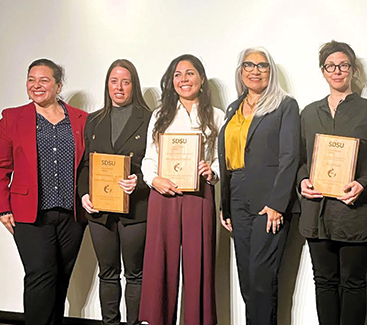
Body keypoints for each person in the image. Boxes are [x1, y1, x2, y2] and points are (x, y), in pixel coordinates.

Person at [297, 40, 367, 325]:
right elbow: (298, 160)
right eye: (331, 66)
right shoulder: (308, 113)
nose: (337, 71)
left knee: (354, 283)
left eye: (344, 65)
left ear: (353, 69)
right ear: (323, 71)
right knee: (323, 282)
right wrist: (303, 181)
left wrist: (363, 183)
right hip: (316, 214)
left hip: (355, 214)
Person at [0, 59, 88, 325]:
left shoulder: (81, 119)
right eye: (31, 79)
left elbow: (88, 164)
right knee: (40, 276)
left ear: (59, 85)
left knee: (61, 278)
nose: (36, 85)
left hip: (72, 215)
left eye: (44, 80)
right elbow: (1, 166)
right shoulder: (12, 117)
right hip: (30, 214)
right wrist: (3, 207)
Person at [139, 54, 224, 325]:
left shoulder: (217, 116)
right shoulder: (159, 115)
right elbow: (149, 159)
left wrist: (212, 171)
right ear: (170, 80)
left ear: (201, 79)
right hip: (163, 195)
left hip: (199, 196)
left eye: (189, 73)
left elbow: (222, 158)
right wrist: (154, 180)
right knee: (159, 263)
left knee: (199, 263)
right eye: (177, 74)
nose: (183, 79)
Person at [218, 47, 300, 325]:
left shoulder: (284, 105)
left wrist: (278, 203)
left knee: (262, 277)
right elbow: (227, 159)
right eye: (249, 65)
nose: (255, 70)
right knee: (247, 277)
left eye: (262, 65)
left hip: (269, 200)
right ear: (240, 72)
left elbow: (290, 157)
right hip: (237, 197)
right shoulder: (233, 108)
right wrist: (225, 204)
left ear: (271, 71)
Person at [77, 59, 152, 325]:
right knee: (107, 273)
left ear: (134, 85)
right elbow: (86, 164)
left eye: (125, 81)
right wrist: (84, 193)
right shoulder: (94, 120)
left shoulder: (150, 119)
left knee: (135, 274)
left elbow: (156, 162)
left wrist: (139, 182)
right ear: (107, 84)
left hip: (136, 209)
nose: (119, 87)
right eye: (114, 81)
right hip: (100, 211)